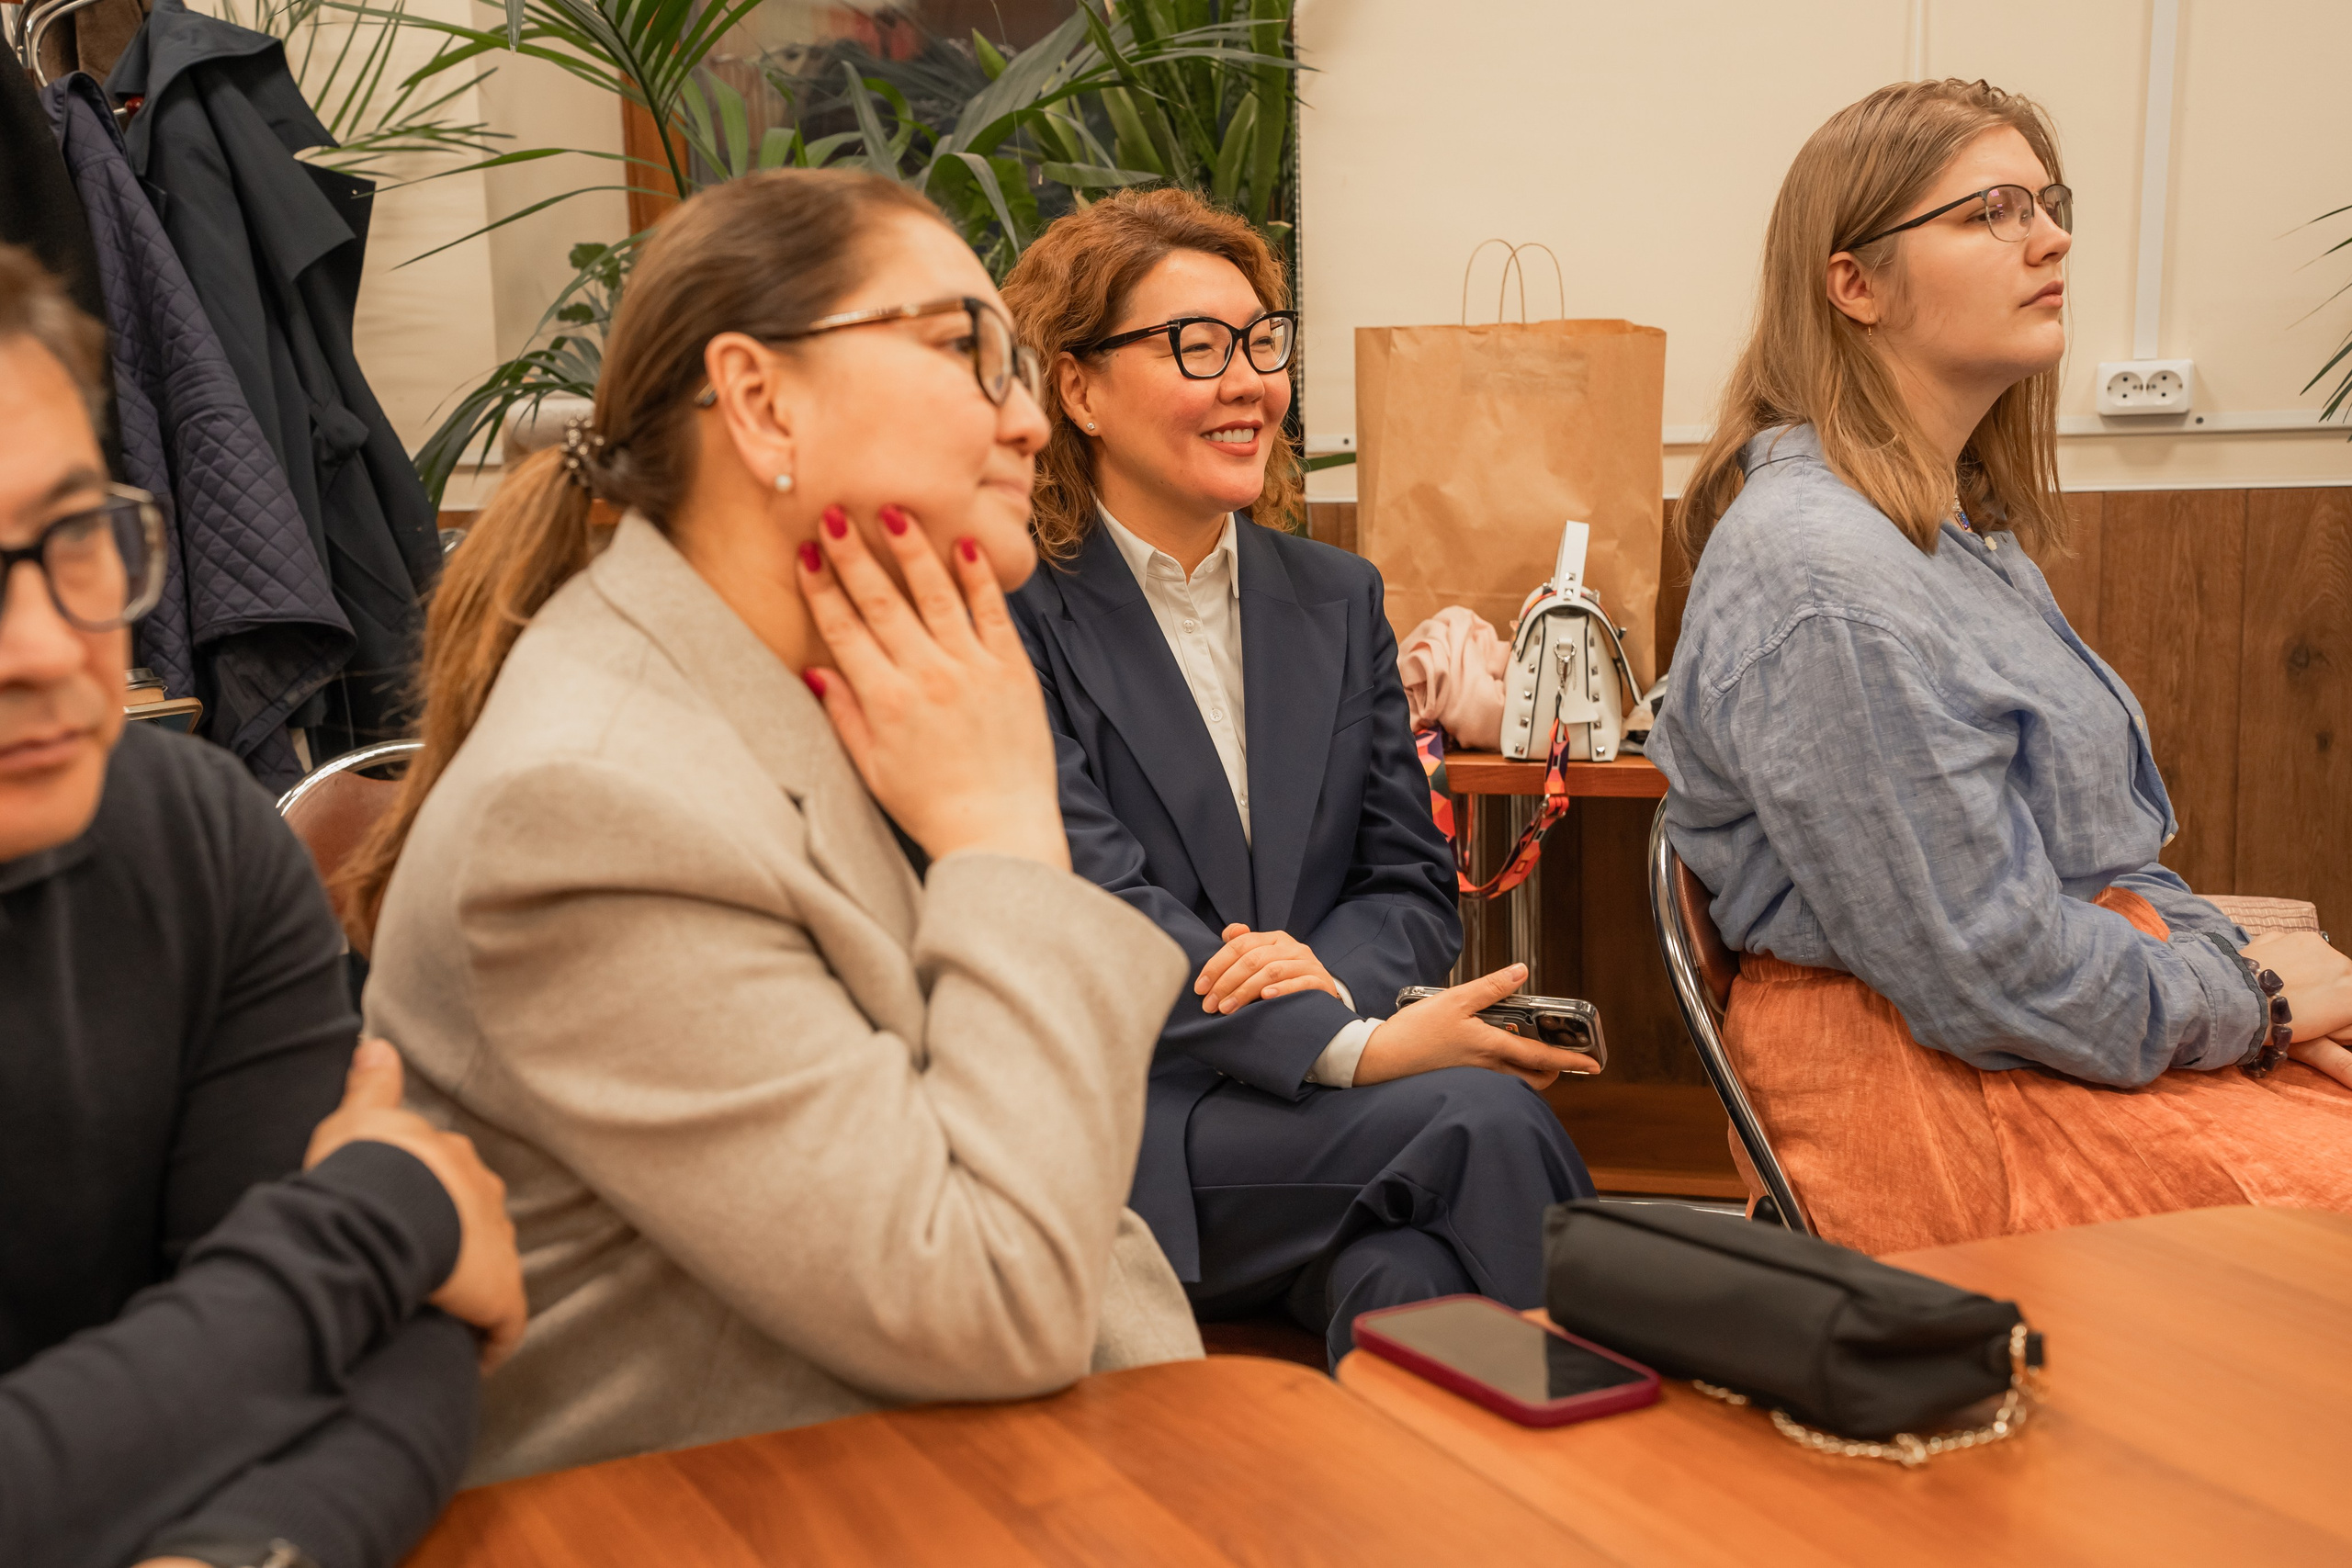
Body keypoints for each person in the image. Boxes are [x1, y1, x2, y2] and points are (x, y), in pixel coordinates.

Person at [342, 169, 1204, 1487]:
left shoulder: (799, 682)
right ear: (758, 399)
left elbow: (1062, 1197)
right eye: (967, 349)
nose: (1029, 420)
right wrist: (1002, 829)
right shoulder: (586, 806)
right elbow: (991, 1287)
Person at [1650, 79, 2352, 1255]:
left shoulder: (1944, 532)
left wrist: (2250, 975)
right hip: (1938, 1089)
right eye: (1990, 211)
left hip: (2060, 1034)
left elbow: (2098, 869)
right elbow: (1987, 973)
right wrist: (2258, 1004)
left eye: (2047, 201)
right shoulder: (1822, 571)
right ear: (1853, 283)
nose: (2053, 236)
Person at [999, 188, 1596, 1371]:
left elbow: (1409, 883)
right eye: (1196, 346)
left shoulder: (1337, 597)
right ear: (1076, 389)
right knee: (1479, 1119)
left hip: (1331, 1130)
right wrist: (1346, 1046)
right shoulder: (1015, 608)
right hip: (1143, 1128)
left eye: (1261, 342)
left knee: (1406, 1281)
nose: (1248, 383)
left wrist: (1329, 984)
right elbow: (1086, 907)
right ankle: (1648, 1495)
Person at [0, 242, 523, 1568]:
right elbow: (381, 1271)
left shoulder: (190, 832)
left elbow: (403, 1353)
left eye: (75, 536)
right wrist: (374, 1215)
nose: (51, 645)